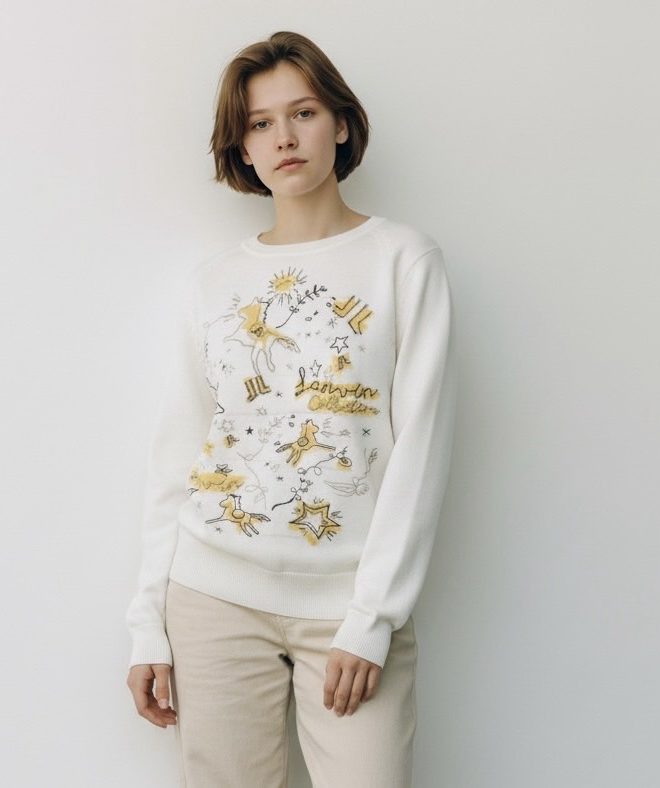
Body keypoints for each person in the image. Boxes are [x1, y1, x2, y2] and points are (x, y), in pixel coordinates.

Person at [126, 30, 456, 788]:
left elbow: (423, 448)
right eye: (259, 123)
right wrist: (146, 623)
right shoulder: (212, 283)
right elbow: (177, 457)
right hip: (211, 597)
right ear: (241, 148)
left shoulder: (403, 261)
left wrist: (372, 620)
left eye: (302, 112)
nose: (284, 138)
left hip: (347, 604)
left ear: (340, 123)